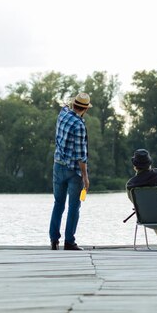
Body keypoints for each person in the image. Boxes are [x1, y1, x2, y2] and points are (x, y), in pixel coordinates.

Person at [48, 92, 92, 250]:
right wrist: (85, 177)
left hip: (58, 166)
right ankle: (69, 242)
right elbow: (81, 156)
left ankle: (54, 240)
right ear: (85, 109)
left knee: (58, 203)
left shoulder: (63, 113)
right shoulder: (79, 125)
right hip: (74, 171)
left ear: (73, 104)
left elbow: (65, 106)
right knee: (74, 206)